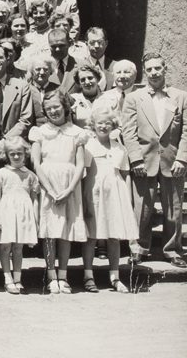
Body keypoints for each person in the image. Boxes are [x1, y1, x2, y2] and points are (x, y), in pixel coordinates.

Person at [122, 53, 187, 267]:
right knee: (141, 209)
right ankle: (139, 249)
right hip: (144, 161)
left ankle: (173, 250)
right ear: (144, 71)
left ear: (165, 68)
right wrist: (135, 160)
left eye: (157, 68)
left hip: (173, 161)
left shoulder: (181, 96)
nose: (153, 73)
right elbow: (129, 132)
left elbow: (186, 130)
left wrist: (182, 159)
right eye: (149, 69)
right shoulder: (134, 98)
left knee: (173, 208)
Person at [30, 90, 89, 294]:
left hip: (69, 186)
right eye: (48, 109)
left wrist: (68, 190)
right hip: (48, 186)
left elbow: (80, 165)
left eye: (56, 106)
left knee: (65, 231)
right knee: (49, 231)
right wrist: (50, 189)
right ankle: (51, 274)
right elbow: (36, 163)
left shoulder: (77, 133)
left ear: (65, 106)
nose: (53, 111)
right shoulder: (39, 132)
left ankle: (63, 274)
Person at [81, 106, 139, 292]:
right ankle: (88, 275)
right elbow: (85, 174)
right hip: (94, 192)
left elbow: (125, 173)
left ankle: (114, 276)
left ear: (113, 125)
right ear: (93, 125)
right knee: (91, 236)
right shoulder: (88, 146)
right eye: (100, 123)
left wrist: (128, 199)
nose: (104, 126)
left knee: (114, 236)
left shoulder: (118, 146)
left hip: (115, 193)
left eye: (108, 123)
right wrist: (84, 198)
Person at [0, 137, 40, 294]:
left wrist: (36, 220)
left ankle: (18, 278)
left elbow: (34, 199)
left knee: (18, 248)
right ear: (6, 155)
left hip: (23, 216)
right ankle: (7, 279)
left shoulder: (30, 176)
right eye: (12, 154)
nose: (16, 157)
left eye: (19, 153)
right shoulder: (1, 174)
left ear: (26, 154)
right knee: (5, 247)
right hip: (7, 214)